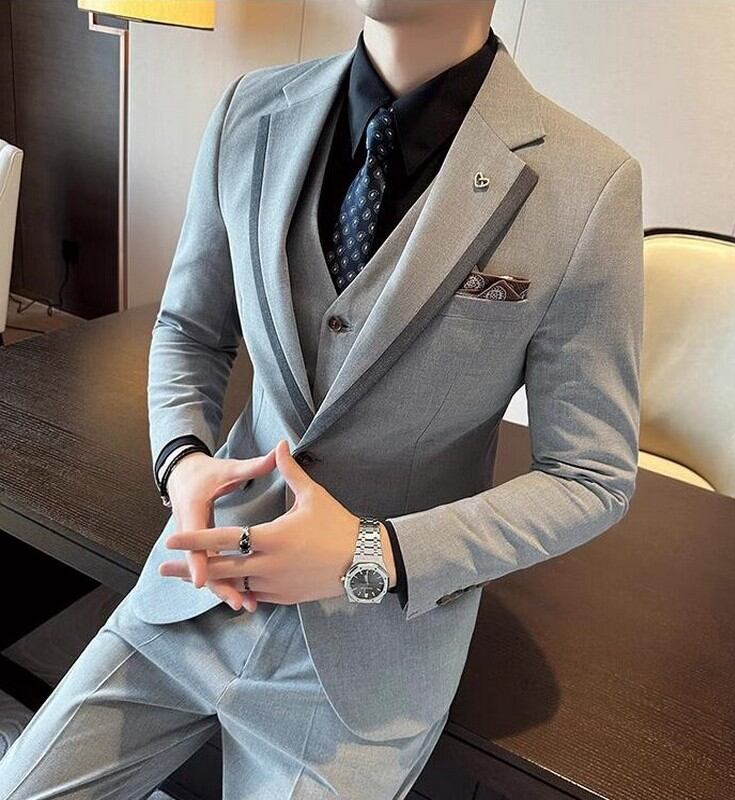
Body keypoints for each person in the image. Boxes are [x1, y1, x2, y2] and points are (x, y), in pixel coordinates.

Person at [0, 0, 644, 797]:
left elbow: (591, 476)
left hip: (368, 658)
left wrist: (369, 553)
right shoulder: (249, 110)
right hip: (201, 585)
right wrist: (183, 463)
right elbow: (190, 327)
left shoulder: (589, 185)